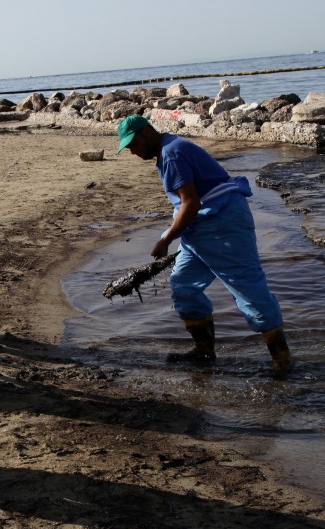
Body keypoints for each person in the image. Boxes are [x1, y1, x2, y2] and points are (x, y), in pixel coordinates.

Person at [116, 115, 293, 374]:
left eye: (133, 144)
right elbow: (191, 205)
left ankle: (283, 361)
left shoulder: (172, 153)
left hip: (222, 223)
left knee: (247, 288)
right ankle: (204, 351)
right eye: (128, 147)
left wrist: (166, 239)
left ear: (147, 132)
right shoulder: (169, 150)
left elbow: (190, 203)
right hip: (200, 225)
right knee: (185, 286)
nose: (132, 151)